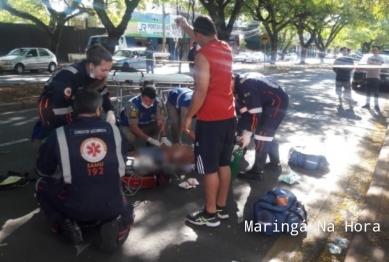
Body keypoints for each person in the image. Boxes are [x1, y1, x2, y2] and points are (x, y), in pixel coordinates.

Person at [35, 89, 134, 252]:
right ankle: (117, 225)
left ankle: (63, 222)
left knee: (41, 185)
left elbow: (43, 170)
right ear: (97, 109)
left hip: (76, 206)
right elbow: (121, 166)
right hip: (111, 204)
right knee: (127, 209)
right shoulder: (116, 132)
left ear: (74, 109)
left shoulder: (58, 135)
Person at [176, 15, 236, 227]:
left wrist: (188, 117)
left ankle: (209, 214)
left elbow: (200, 92)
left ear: (200, 35)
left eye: (196, 36)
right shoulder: (225, 47)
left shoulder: (202, 55)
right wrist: (185, 26)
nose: (195, 40)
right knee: (223, 163)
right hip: (229, 116)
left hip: (210, 119)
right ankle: (220, 208)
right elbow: (203, 37)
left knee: (208, 168)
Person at [38, 44, 115, 136]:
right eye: (103, 70)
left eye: (108, 70)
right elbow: (60, 107)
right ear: (91, 65)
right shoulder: (69, 75)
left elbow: (102, 93)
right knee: (57, 134)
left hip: (74, 104)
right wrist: (77, 125)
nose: (106, 74)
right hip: (52, 104)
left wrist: (110, 111)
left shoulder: (96, 75)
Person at [233, 72, 289, 180]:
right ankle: (274, 163)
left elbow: (255, 112)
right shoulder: (238, 86)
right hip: (270, 102)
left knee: (262, 135)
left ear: (231, 79)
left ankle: (257, 171)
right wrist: (239, 133)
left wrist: (248, 133)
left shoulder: (244, 84)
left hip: (276, 102)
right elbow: (246, 115)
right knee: (268, 134)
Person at [119, 86, 172, 151]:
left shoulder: (158, 104)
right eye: (146, 100)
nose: (148, 103)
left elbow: (161, 122)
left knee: (164, 124)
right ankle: (129, 150)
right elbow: (134, 127)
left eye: (151, 101)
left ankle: (152, 147)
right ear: (141, 96)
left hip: (145, 125)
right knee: (129, 137)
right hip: (129, 126)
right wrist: (149, 139)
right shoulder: (132, 105)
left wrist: (164, 137)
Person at [362, 45, 385, 111]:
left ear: (378, 51)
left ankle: (376, 105)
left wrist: (372, 63)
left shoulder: (381, 58)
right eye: (373, 49)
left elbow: (379, 64)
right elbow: (367, 66)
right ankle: (367, 104)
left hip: (376, 77)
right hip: (368, 76)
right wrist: (375, 63)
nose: (374, 51)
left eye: (375, 49)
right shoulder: (369, 57)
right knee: (367, 91)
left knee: (376, 92)